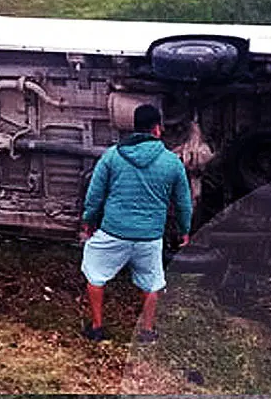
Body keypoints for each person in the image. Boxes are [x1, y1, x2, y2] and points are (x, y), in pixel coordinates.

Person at [79, 104, 192, 343]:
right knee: (151, 283)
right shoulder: (172, 162)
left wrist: (88, 222)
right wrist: (184, 231)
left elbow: (94, 195)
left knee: (95, 275)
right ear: (157, 129)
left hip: (114, 232)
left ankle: (97, 328)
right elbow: (183, 203)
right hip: (149, 237)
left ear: (134, 127)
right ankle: (147, 331)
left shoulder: (112, 155)